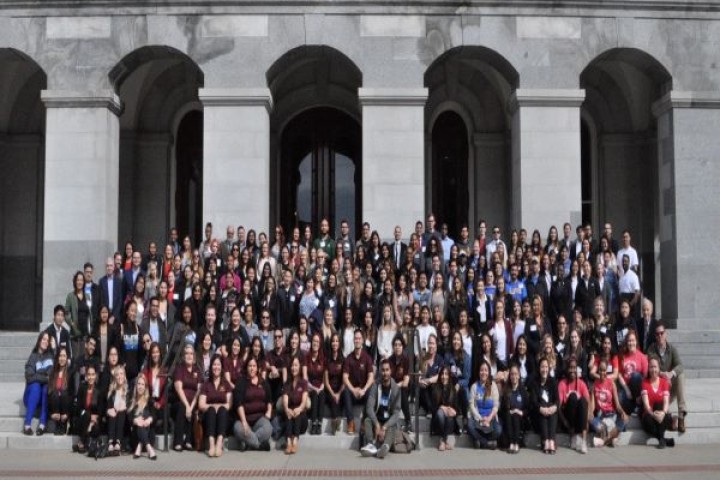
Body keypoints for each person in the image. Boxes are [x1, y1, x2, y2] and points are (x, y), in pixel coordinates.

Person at [647, 322, 687, 432]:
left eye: (662, 333)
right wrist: (663, 375)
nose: (660, 336)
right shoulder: (651, 349)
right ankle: (671, 420)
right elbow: (652, 366)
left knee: (680, 376)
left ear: (666, 334)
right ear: (655, 336)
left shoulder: (672, 349)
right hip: (658, 388)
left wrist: (671, 373)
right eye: (657, 334)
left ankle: (681, 415)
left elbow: (680, 365)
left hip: (669, 387)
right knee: (666, 420)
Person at [360, 358, 401, 458]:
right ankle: (371, 445)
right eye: (383, 370)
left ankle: (385, 447)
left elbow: (396, 413)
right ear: (380, 371)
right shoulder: (375, 385)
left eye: (387, 370)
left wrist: (384, 427)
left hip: (388, 422)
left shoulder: (395, 388)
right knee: (367, 420)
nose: (385, 373)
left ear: (390, 371)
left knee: (393, 426)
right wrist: (377, 424)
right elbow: (369, 407)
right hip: (377, 420)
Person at [233, 357, 273, 451]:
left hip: (259, 419)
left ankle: (248, 443)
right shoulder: (241, 382)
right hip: (244, 419)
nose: (252, 368)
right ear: (246, 368)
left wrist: (269, 411)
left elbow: (269, 400)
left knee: (268, 429)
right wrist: (244, 422)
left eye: (254, 366)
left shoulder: (263, 382)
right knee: (237, 429)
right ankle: (259, 446)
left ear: (257, 368)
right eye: (250, 366)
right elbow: (239, 404)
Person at [342, 329, 375, 434]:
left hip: (363, 393)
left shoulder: (367, 358)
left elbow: (371, 377)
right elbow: (345, 377)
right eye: (355, 338)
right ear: (353, 340)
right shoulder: (348, 358)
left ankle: (364, 423)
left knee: (371, 390)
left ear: (362, 340)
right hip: (353, 393)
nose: (357, 340)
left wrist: (364, 390)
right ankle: (351, 422)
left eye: (359, 338)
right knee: (346, 390)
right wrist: (353, 390)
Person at [199, 354, 232, 457]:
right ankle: (211, 444)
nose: (216, 367)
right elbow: (201, 404)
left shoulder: (226, 384)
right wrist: (213, 407)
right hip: (209, 416)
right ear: (211, 366)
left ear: (221, 367)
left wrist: (219, 407)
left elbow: (229, 404)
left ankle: (219, 444)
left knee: (222, 410)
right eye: (214, 365)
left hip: (223, 417)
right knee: (212, 410)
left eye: (218, 365)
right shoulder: (206, 384)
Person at [589, 358, 627, 448]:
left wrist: (622, 412)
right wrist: (590, 415)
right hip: (600, 417)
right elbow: (593, 407)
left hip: (611, 415)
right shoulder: (594, 384)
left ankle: (604, 440)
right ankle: (612, 439)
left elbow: (617, 405)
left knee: (625, 419)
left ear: (607, 371)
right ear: (598, 371)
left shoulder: (612, 384)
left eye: (604, 370)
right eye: (601, 370)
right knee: (595, 424)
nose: (602, 373)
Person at [172, 344, 202, 451]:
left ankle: (189, 440)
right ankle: (178, 441)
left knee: (194, 409)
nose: (189, 356)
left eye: (191, 353)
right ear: (183, 356)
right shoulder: (180, 369)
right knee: (182, 407)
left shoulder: (197, 370)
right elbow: (179, 389)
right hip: (180, 401)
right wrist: (187, 405)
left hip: (192, 402)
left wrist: (191, 405)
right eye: (187, 353)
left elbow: (198, 390)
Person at [23, 331, 53, 436]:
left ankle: (42, 425)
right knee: (36, 386)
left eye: (47, 340)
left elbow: (50, 377)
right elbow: (29, 377)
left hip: (43, 397)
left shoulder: (50, 357)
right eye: (43, 339)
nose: (45, 342)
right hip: (30, 395)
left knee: (45, 388)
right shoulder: (33, 356)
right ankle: (27, 425)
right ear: (39, 340)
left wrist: (38, 374)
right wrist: (44, 376)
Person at [640, 356, 675, 449]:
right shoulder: (644, 383)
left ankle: (662, 440)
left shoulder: (664, 382)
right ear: (648, 369)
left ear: (659, 369)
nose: (653, 369)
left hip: (662, 415)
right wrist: (654, 415)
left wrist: (663, 413)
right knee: (649, 418)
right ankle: (663, 439)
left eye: (655, 367)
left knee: (660, 406)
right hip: (650, 416)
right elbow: (647, 406)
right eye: (651, 367)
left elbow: (666, 402)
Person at [557, 356, 590, 454]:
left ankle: (583, 441)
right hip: (568, 420)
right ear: (567, 369)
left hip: (579, 420)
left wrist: (588, 418)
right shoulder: (562, 384)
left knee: (583, 400)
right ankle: (572, 436)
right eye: (570, 368)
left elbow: (588, 402)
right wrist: (564, 421)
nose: (572, 370)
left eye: (574, 368)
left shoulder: (581, 383)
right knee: (573, 397)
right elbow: (558, 406)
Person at [467, 361, 501, 449]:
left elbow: (496, 405)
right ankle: (487, 443)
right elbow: (472, 406)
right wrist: (481, 418)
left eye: (486, 370)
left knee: (498, 430)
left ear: (489, 372)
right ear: (478, 372)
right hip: (478, 418)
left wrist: (489, 418)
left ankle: (479, 441)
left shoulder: (493, 386)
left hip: (490, 417)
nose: (483, 372)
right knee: (470, 426)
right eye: (481, 370)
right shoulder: (474, 386)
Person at [530, 357, 559, 454]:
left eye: (546, 367)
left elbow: (557, 400)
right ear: (539, 368)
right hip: (538, 416)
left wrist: (554, 407)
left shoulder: (553, 382)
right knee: (543, 404)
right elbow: (533, 402)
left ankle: (551, 440)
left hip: (551, 415)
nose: (544, 369)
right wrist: (541, 408)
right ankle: (545, 440)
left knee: (551, 406)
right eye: (542, 367)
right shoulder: (535, 383)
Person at [72, 364, 103, 454]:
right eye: (89, 374)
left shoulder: (99, 390)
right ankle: (82, 442)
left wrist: (93, 420)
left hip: (94, 421)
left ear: (95, 376)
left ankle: (82, 441)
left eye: (93, 374)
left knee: (96, 429)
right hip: (82, 420)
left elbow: (100, 410)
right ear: (86, 376)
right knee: (86, 414)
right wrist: (88, 416)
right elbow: (78, 408)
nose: (91, 377)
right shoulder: (82, 388)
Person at [282, 356, 309, 454]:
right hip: (290, 420)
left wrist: (300, 408)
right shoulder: (287, 384)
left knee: (297, 412)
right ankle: (289, 442)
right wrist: (286, 409)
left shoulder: (303, 383)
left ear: (300, 367)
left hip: (301, 421)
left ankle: (295, 441)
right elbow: (285, 401)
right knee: (289, 413)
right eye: (292, 365)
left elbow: (304, 402)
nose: (294, 368)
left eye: (296, 365)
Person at [618, 330, 648, 415]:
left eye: (633, 340)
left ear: (636, 341)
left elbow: (645, 378)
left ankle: (638, 403)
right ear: (626, 342)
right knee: (619, 398)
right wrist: (627, 390)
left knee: (635, 376)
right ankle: (634, 408)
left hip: (638, 389)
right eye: (629, 341)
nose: (631, 343)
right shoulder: (623, 356)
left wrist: (641, 395)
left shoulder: (642, 357)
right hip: (626, 387)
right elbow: (619, 374)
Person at [503, 363, 529, 454]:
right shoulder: (506, 390)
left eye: (516, 374)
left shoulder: (523, 390)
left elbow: (528, 408)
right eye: (512, 374)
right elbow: (503, 408)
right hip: (509, 419)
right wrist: (509, 410)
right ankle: (511, 443)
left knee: (516, 415)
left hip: (521, 419)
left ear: (519, 375)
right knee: (510, 415)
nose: (514, 376)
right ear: (509, 376)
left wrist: (520, 412)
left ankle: (516, 443)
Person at [130, 374, 157, 459]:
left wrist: (150, 419)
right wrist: (135, 420)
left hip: (149, 435)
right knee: (140, 419)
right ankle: (149, 448)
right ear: (136, 385)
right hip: (135, 437)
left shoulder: (150, 400)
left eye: (143, 384)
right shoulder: (131, 401)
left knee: (146, 414)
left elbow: (155, 416)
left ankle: (140, 446)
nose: (140, 387)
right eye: (139, 384)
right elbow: (128, 418)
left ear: (145, 387)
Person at [432, 366, 458, 451]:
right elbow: (433, 408)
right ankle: (445, 441)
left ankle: (442, 441)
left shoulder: (453, 389)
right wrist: (442, 407)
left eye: (446, 374)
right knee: (440, 413)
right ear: (440, 376)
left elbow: (456, 408)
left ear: (449, 376)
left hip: (449, 422)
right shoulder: (435, 388)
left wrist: (454, 411)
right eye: (442, 374)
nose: (444, 376)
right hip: (438, 421)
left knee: (450, 416)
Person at [47, 346, 72, 435]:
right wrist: (51, 414)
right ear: (57, 358)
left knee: (64, 394)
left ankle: (63, 424)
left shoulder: (70, 373)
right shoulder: (53, 373)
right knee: (54, 393)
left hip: (65, 411)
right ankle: (57, 422)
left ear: (67, 358)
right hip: (54, 411)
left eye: (64, 356)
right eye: (60, 356)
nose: (62, 358)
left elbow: (72, 396)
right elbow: (48, 395)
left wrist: (67, 414)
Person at [304, 333, 326, 434]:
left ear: (320, 343)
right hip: (309, 387)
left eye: (317, 341)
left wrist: (321, 387)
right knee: (314, 394)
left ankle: (319, 423)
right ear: (311, 343)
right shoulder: (306, 357)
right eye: (314, 341)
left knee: (321, 394)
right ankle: (313, 423)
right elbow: (305, 378)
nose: (315, 343)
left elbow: (324, 378)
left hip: (320, 387)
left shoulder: (323, 358)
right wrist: (312, 388)